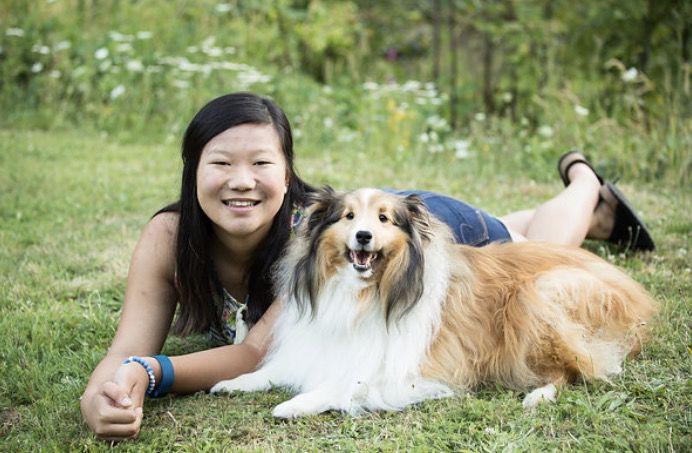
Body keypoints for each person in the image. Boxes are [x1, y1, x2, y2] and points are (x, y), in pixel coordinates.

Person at [80, 92, 654, 440]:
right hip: (374, 223)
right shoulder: (169, 236)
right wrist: (105, 396)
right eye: (220, 162)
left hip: (420, 230)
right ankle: (590, 212)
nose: (241, 181)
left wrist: (154, 374)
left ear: (287, 175)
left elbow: (257, 351)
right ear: (192, 168)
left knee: (536, 245)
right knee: (527, 225)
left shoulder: (309, 241)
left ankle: (583, 183)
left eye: (261, 162)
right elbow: (117, 358)